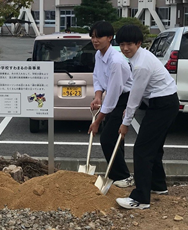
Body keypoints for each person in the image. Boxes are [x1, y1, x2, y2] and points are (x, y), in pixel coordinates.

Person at [115, 25, 179, 209]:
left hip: (163, 104)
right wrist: (128, 112)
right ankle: (158, 186)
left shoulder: (141, 64)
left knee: (142, 149)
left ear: (138, 43)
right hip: (165, 102)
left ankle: (141, 199)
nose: (125, 48)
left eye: (129, 44)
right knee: (154, 147)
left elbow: (135, 96)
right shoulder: (140, 56)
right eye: (122, 44)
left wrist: (126, 123)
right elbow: (137, 94)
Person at [88, 21, 134, 188]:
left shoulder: (116, 61)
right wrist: (98, 96)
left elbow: (113, 97)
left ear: (109, 38)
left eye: (98, 36)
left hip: (124, 98)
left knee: (107, 138)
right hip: (113, 97)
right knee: (115, 138)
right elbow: (97, 76)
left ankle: (122, 176)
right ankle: (121, 176)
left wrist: (97, 122)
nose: (95, 40)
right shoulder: (99, 55)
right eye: (92, 36)